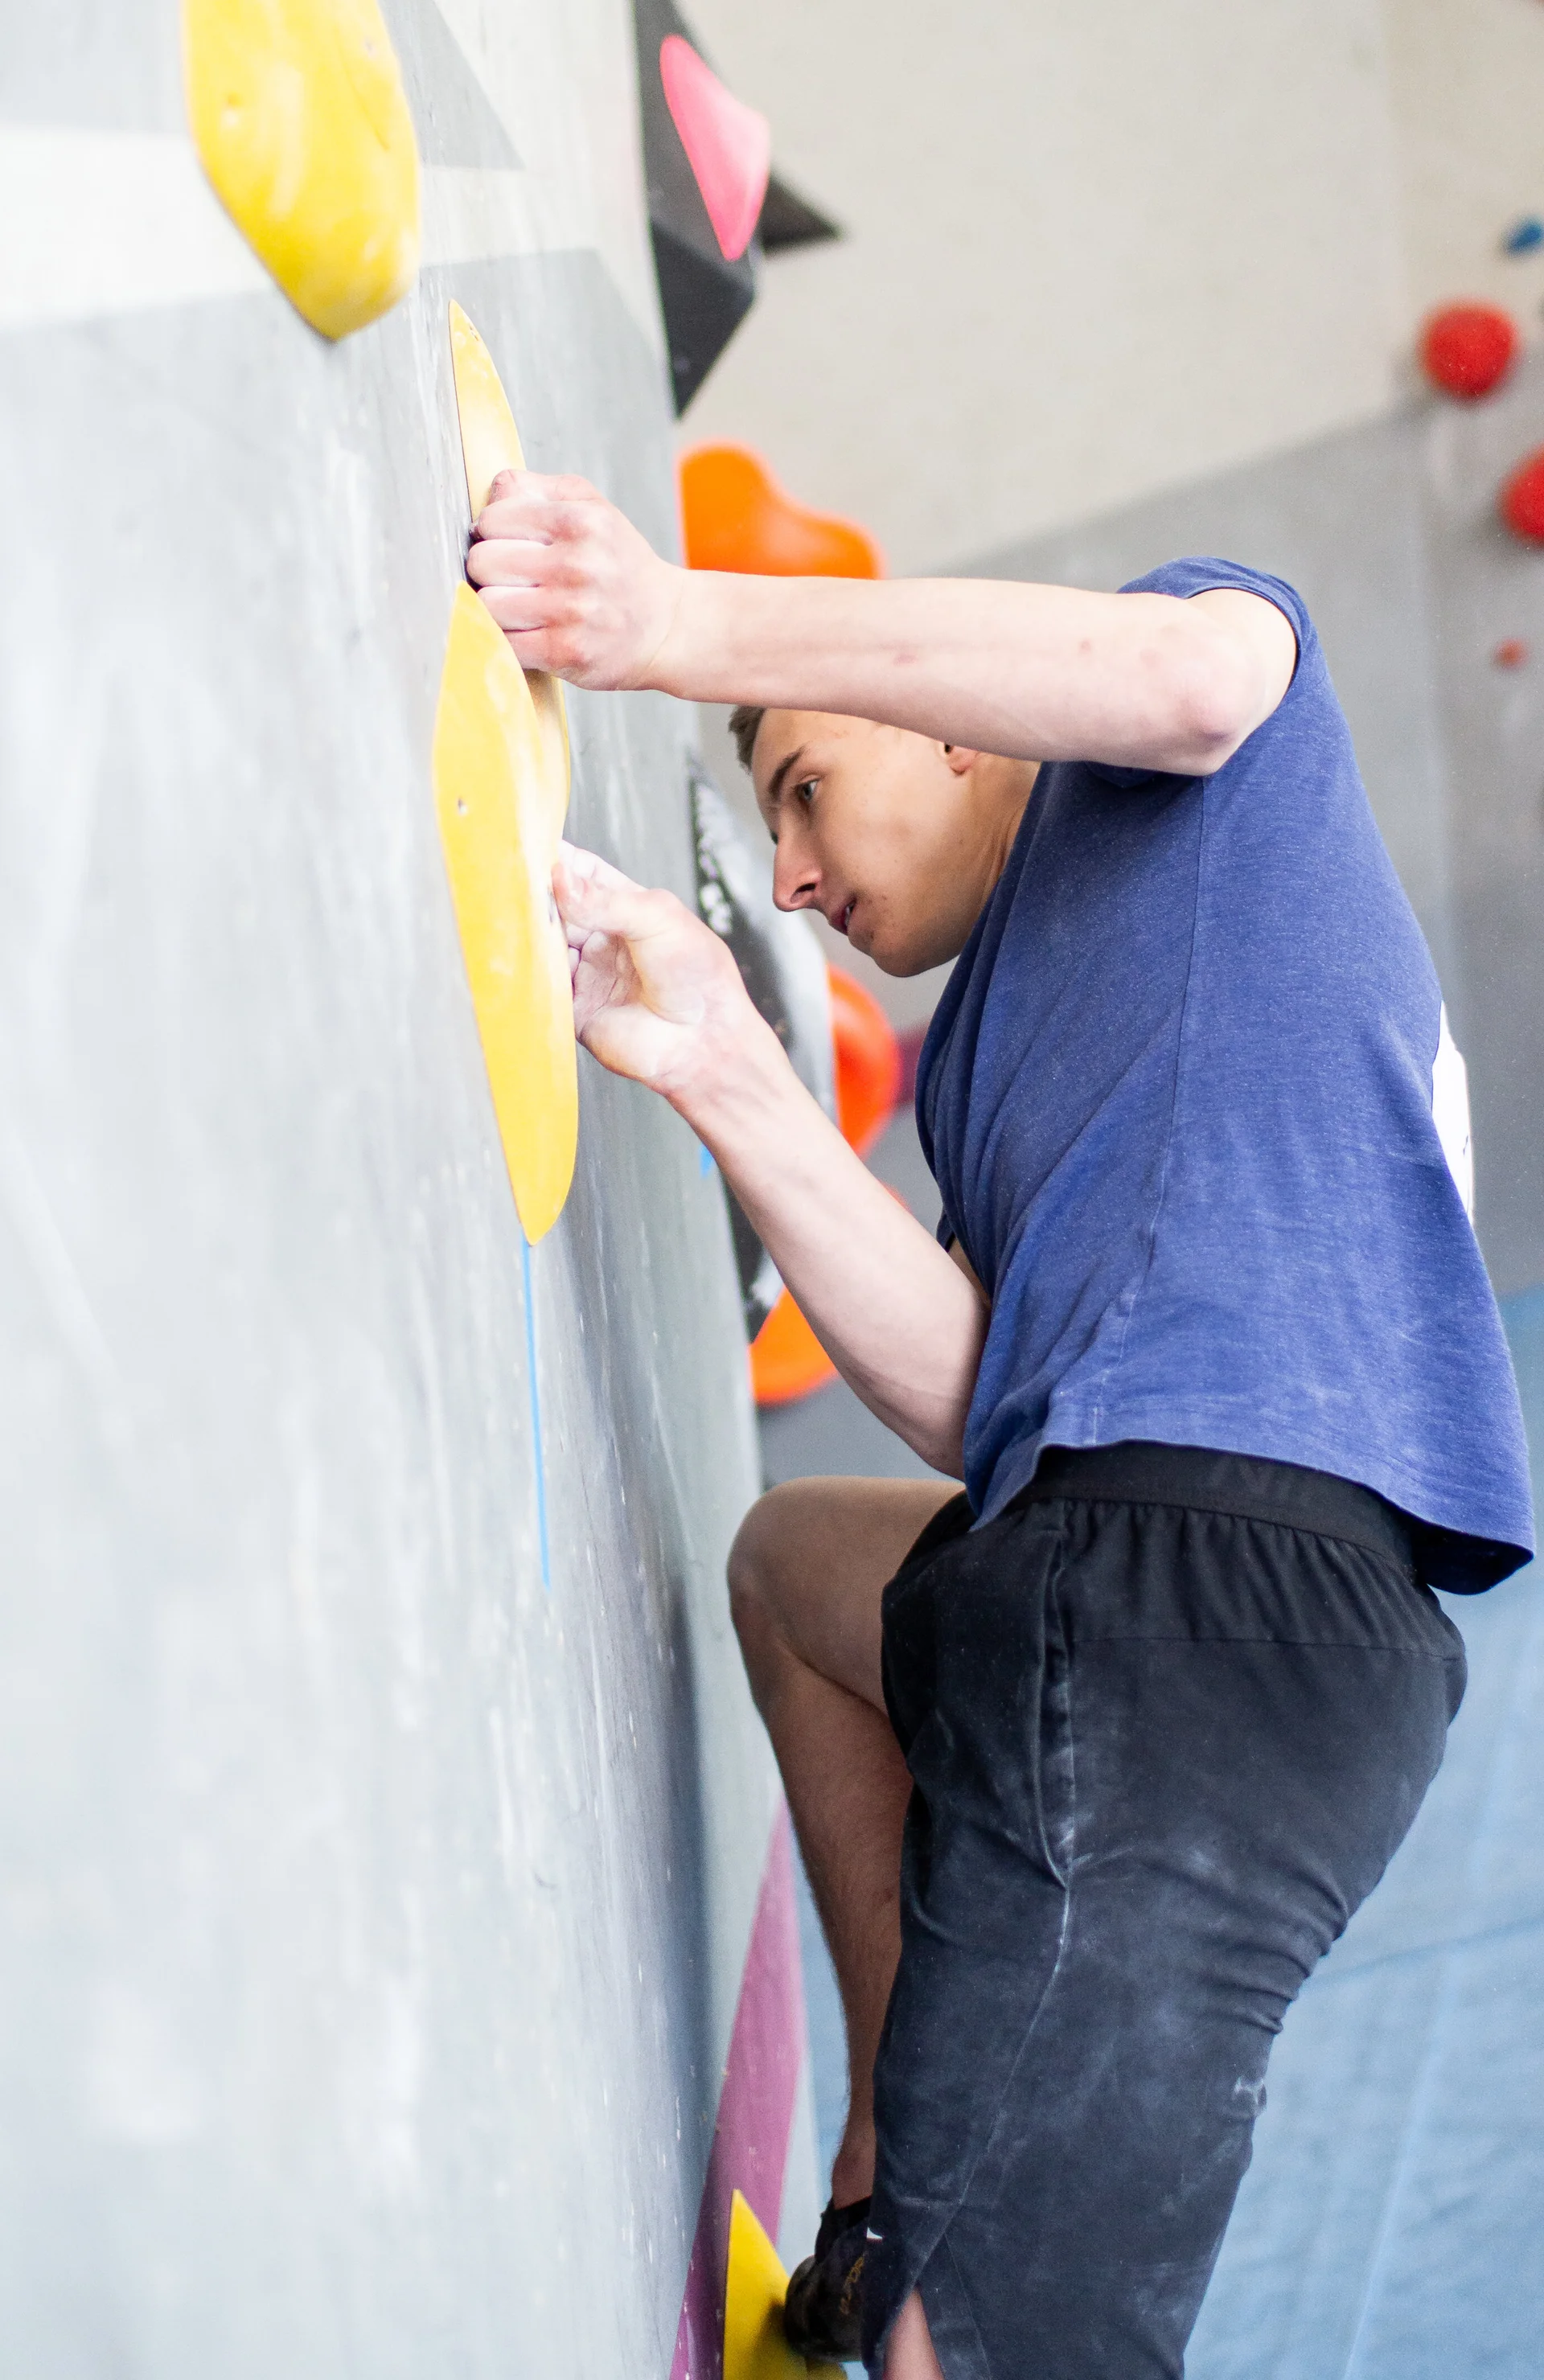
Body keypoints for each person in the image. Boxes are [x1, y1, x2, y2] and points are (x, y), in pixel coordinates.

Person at [465, 472, 1534, 2380]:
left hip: (1222, 1607)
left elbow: (1191, 684)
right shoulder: (979, 1067)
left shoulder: (1213, 732)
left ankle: (928, 2283)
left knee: (997, 2348)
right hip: (1091, 1564)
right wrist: (724, 1062)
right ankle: (891, 2194)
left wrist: (668, 624)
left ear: (964, 718)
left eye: (799, 787)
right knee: (801, 1572)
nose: (788, 872)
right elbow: (998, 1397)